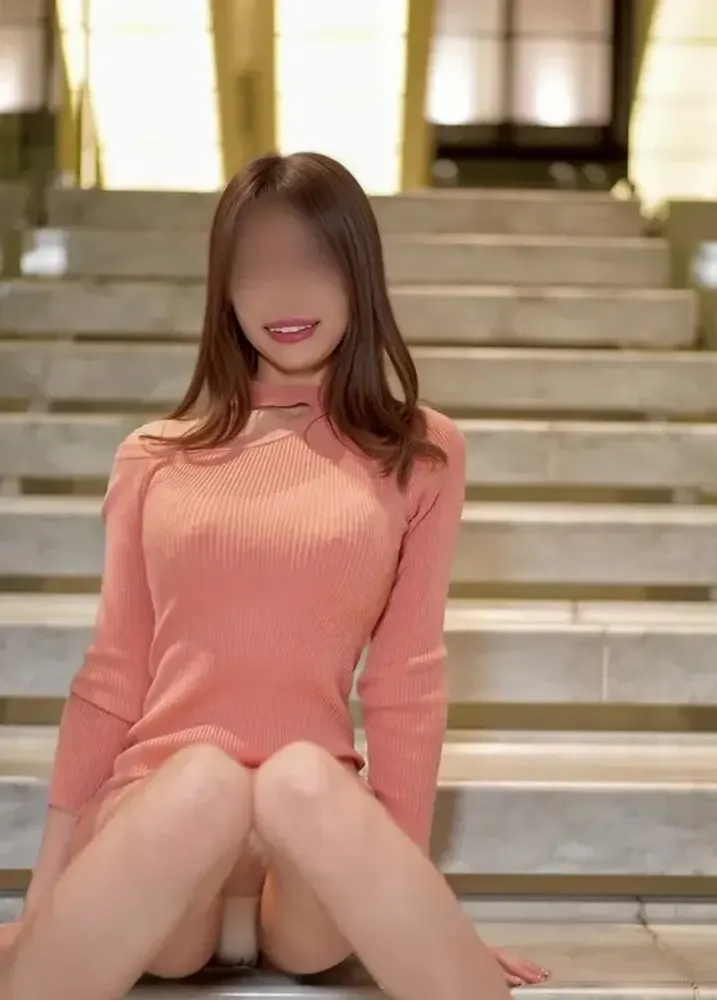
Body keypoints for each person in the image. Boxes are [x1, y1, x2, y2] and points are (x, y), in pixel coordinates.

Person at [0, 152, 549, 1000]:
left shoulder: (420, 453)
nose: (284, 294)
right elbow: (112, 673)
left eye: (312, 261)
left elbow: (407, 681)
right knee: (207, 780)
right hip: (165, 832)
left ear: (359, 272)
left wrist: (412, 908)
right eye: (256, 267)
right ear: (223, 289)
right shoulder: (154, 458)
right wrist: (49, 900)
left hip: (307, 861)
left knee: (300, 776)